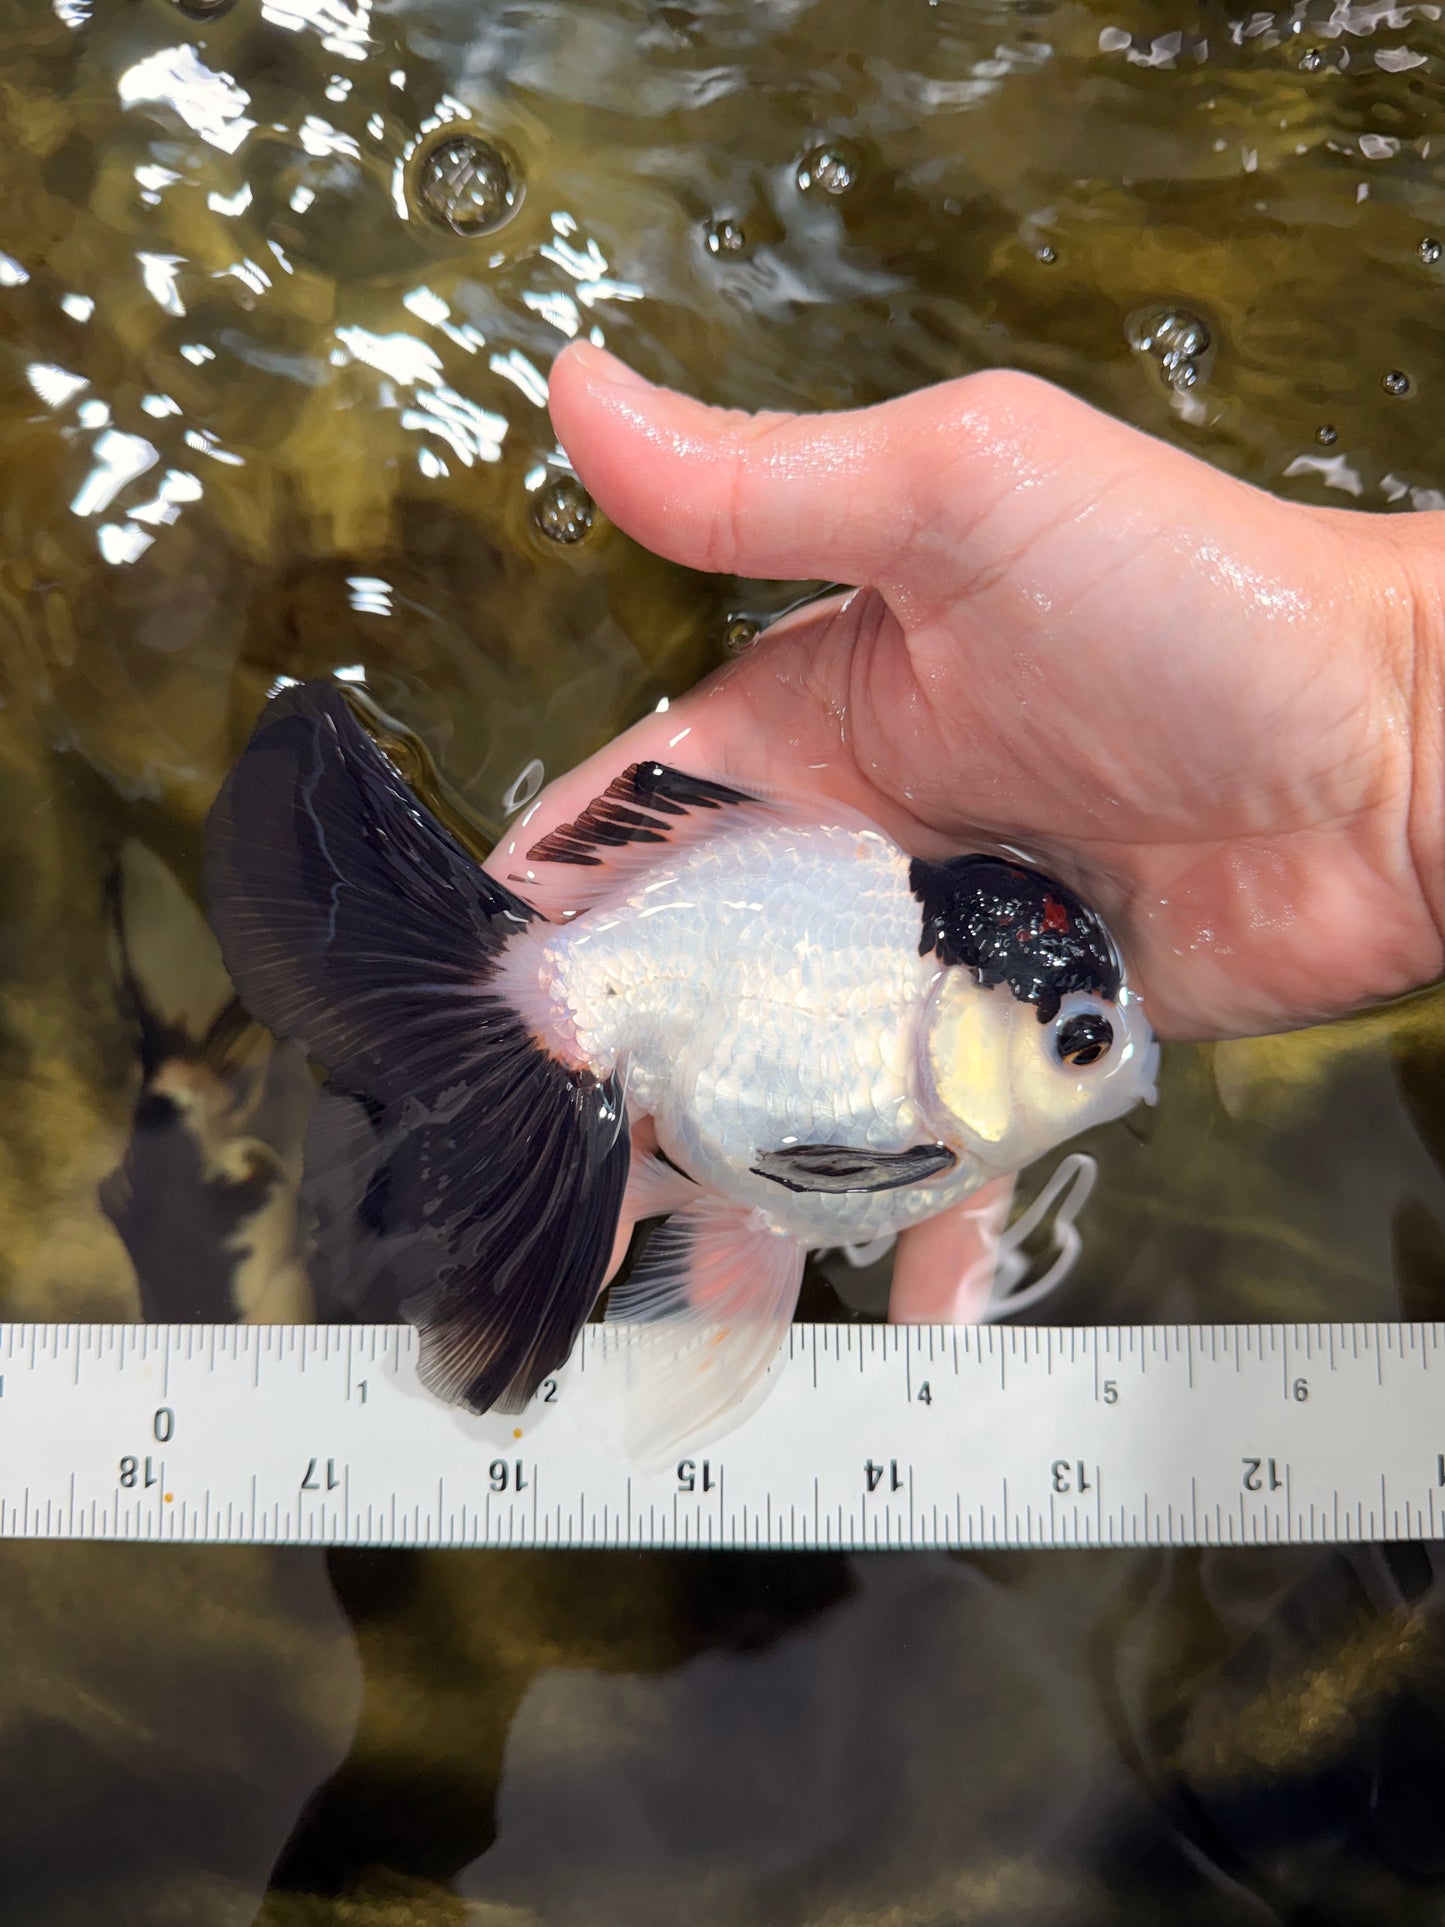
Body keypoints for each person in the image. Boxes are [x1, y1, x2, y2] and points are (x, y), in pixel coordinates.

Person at [488, 341, 1445, 1319]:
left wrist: (1407, 717)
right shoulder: (925, 1093)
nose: (1124, 1058)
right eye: (1078, 1043)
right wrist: (1400, 710)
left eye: (1087, 1039)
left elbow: (792, 1174)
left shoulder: (931, 1104)